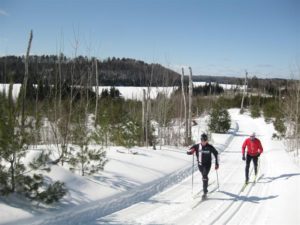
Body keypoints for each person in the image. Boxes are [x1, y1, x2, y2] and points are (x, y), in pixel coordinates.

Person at [187, 133, 219, 198]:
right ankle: (206, 180)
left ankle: (205, 192)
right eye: (202, 140)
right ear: (200, 140)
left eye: (205, 140)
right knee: (204, 176)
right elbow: (188, 151)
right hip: (200, 165)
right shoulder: (197, 146)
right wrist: (191, 152)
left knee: (204, 176)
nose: (203, 142)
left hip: (207, 165)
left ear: (207, 140)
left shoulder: (210, 147)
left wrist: (216, 163)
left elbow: (216, 154)